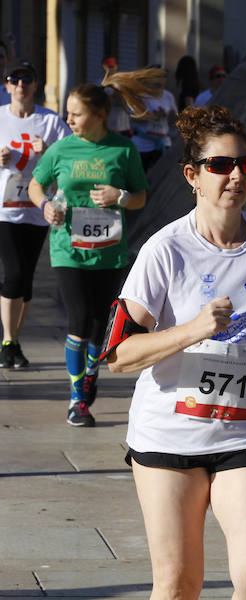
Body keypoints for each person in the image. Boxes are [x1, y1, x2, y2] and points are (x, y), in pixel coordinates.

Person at [105, 104, 246, 599]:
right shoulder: (165, 250)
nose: (236, 175)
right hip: (170, 434)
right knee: (180, 585)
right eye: (220, 165)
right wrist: (193, 330)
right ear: (193, 176)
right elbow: (117, 355)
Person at [28, 68, 160, 426]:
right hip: (67, 247)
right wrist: (46, 206)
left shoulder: (123, 149)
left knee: (100, 323)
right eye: (68, 113)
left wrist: (121, 196)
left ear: (100, 115)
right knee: (79, 318)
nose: (68, 119)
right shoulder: (61, 149)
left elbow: (140, 197)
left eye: (76, 114)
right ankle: (77, 399)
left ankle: (90, 374)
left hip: (109, 250)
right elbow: (36, 186)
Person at [0, 60, 70, 368]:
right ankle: (7, 339)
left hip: (37, 207)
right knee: (14, 273)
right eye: (14, 79)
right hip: (4, 210)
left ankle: (14, 342)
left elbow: (70, 155)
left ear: (35, 85)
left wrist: (50, 148)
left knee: (25, 277)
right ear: (6, 85)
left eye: (26, 79)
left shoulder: (50, 121)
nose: (20, 85)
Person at [131, 68, 177, 171]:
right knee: (142, 174)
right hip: (143, 143)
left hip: (163, 142)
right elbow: (135, 117)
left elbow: (173, 119)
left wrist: (172, 117)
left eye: (163, 77)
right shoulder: (141, 96)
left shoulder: (168, 96)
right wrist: (153, 116)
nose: (161, 80)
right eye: (157, 76)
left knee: (162, 175)